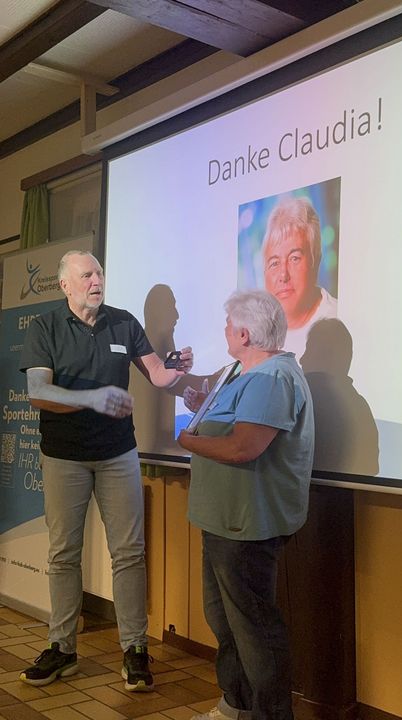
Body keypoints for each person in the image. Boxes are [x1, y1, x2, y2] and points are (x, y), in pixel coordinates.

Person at [18, 250, 193, 690]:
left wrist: (176, 369)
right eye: (87, 275)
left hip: (118, 453)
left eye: (99, 273)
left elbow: (157, 374)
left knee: (129, 552)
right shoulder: (46, 327)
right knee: (64, 553)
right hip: (64, 455)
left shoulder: (124, 322)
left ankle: (135, 650)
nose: (97, 280)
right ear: (65, 285)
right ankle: (62, 648)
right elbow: (38, 391)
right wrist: (91, 399)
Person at [178, 290, 314, 720]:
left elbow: (243, 447)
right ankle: (235, 705)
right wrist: (203, 407)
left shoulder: (271, 378)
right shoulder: (243, 374)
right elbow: (232, 426)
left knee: (254, 628)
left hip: (247, 525)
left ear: (243, 333)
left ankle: (270, 714)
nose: (223, 331)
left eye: (227, 324)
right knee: (225, 620)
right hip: (223, 520)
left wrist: (188, 441)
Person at [262, 195, 337, 361]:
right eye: (274, 263)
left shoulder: (337, 320)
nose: (283, 275)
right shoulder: (257, 335)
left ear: (316, 261)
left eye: (294, 258)